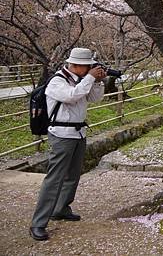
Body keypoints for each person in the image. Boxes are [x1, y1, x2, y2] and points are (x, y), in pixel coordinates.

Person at [29, 48, 106, 241]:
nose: (90, 68)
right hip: (61, 135)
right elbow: (71, 96)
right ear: (76, 65)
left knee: (72, 175)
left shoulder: (80, 79)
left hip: (79, 133)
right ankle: (38, 223)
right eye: (87, 66)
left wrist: (97, 81)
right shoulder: (57, 81)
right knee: (54, 179)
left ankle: (61, 208)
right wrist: (89, 78)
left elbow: (95, 98)